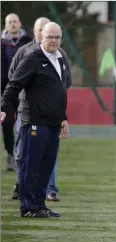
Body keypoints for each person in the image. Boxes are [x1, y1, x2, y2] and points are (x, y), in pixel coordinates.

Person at [1, 22, 69, 218]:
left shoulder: (61, 59)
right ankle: (28, 207)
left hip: (53, 123)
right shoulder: (32, 58)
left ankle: (39, 205)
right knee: (32, 165)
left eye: (57, 37)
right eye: (50, 37)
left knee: (47, 165)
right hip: (34, 121)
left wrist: (64, 118)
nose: (54, 40)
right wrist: (4, 107)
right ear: (42, 37)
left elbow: (60, 91)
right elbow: (13, 84)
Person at [1, 13, 32, 171]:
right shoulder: (1, 43)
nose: (12, 24)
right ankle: (11, 154)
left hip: (26, 90)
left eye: (15, 21)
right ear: (6, 25)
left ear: (20, 23)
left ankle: (23, 154)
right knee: (7, 123)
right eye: (9, 22)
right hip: (6, 91)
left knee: (25, 123)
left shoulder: (29, 42)